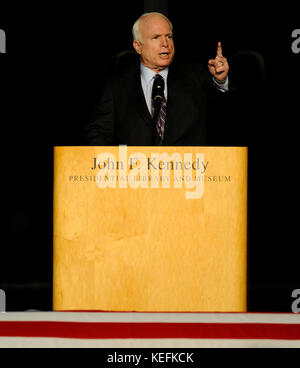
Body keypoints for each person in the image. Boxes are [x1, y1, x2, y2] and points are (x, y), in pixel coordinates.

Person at [85, 12, 229, 146]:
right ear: (138, 46)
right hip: (134, 171)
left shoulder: (195, 77)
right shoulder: (117, 87)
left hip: (188, 171)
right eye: (156, 37)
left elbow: (227, 115)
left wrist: (220, 80)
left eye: (169, 36)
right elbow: (98, 134)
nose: (165, 43)